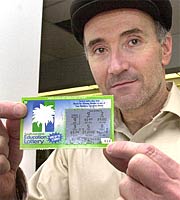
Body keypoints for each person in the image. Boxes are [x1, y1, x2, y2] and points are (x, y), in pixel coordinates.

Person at [0, 0, 180, 199]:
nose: (116, 67)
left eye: (133, 41)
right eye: (100, 50)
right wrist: (7, 190)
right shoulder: (79, 134)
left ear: (164, 49)